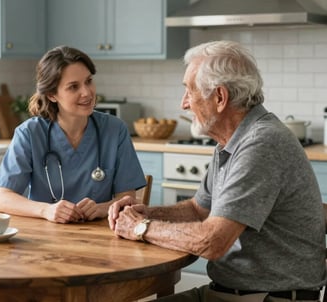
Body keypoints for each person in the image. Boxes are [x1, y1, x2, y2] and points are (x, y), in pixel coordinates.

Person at [108, 40, 326, 302]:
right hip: (230, 292)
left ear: (220, 98)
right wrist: (147, 212)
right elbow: (199, 210)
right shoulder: (232, 140)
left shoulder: (262, 143)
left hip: (266, 296)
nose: (184, 104)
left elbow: (213, 242)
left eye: (189, 91)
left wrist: (140, 228)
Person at [0, 45, 146, 224]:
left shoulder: (115, 130)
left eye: (88, 81)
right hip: (43, 240)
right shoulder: (29, 134)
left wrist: (101, 208)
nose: (87, 92)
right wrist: (46, 210)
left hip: (100, 238)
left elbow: (126, 199)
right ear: (51, 95)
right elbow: (3, 199)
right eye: (73, 87)